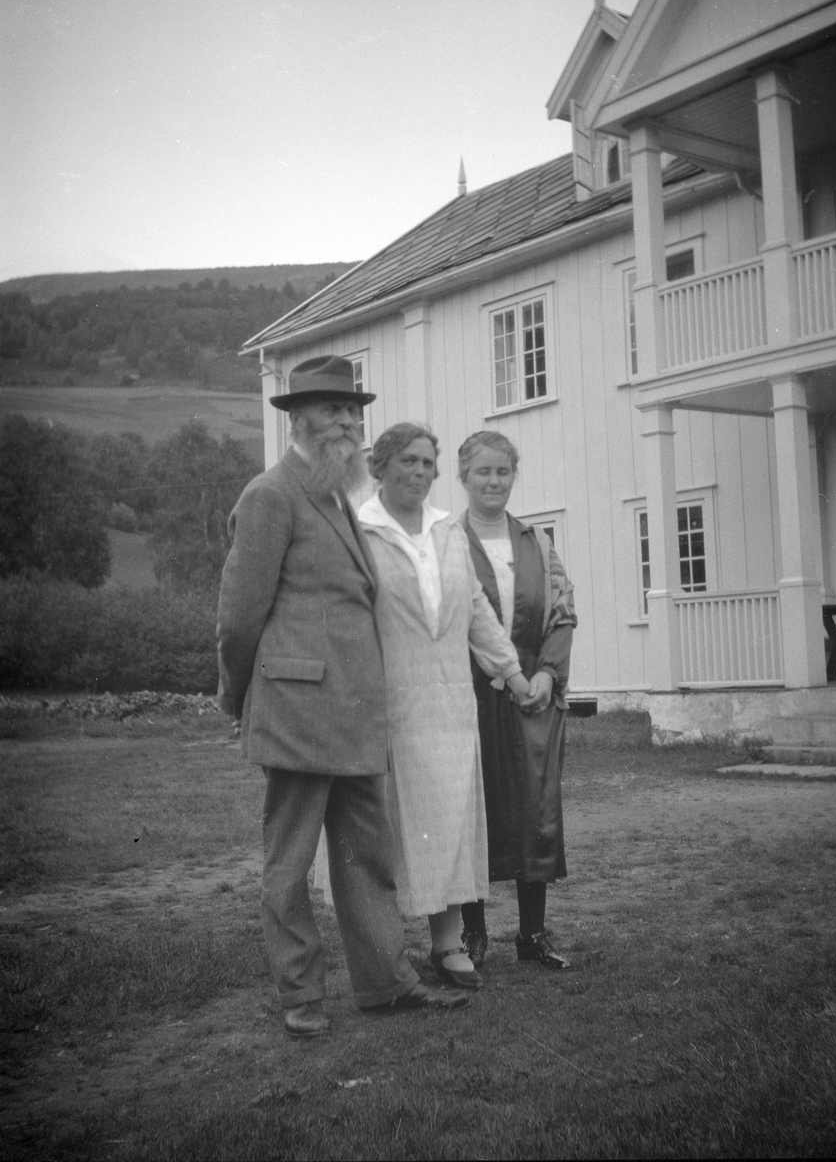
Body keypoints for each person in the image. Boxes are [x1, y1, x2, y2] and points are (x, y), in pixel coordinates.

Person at [216, 356, 469, 1039]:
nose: (349, 424)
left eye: (354, 413)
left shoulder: (336, 497)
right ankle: (301, 998)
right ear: (297, 420)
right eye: (332, 411)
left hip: (357, 716)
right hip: (298, 715)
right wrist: (237, 696)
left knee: (368, 857)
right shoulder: (270, 495)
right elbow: (240, 617)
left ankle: (386, 984)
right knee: (291, 865)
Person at [357, 423, 531, 991]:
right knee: (388, 829)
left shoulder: (448, 531)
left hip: (453, 705)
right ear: (379, 467)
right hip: (388, 705)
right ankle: (384, 952)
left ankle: (448, 945)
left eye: (428, 462)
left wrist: (511, 673)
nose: (420, 471)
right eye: (408, 460)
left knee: (449, 821)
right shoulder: (359, 531)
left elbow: (477, 609)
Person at [457, 430, 577, 971]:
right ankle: (473, 934)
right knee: (473, 808)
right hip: (469, 694)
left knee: (536, 808)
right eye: (482, 472)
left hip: (533, 694)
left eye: (502, 471)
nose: (493, 481)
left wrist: (549, 673)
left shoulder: (537, 541)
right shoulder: (448, 540)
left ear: (514, 475)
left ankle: (532, 933)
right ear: (463, 477)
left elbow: (562, 612)